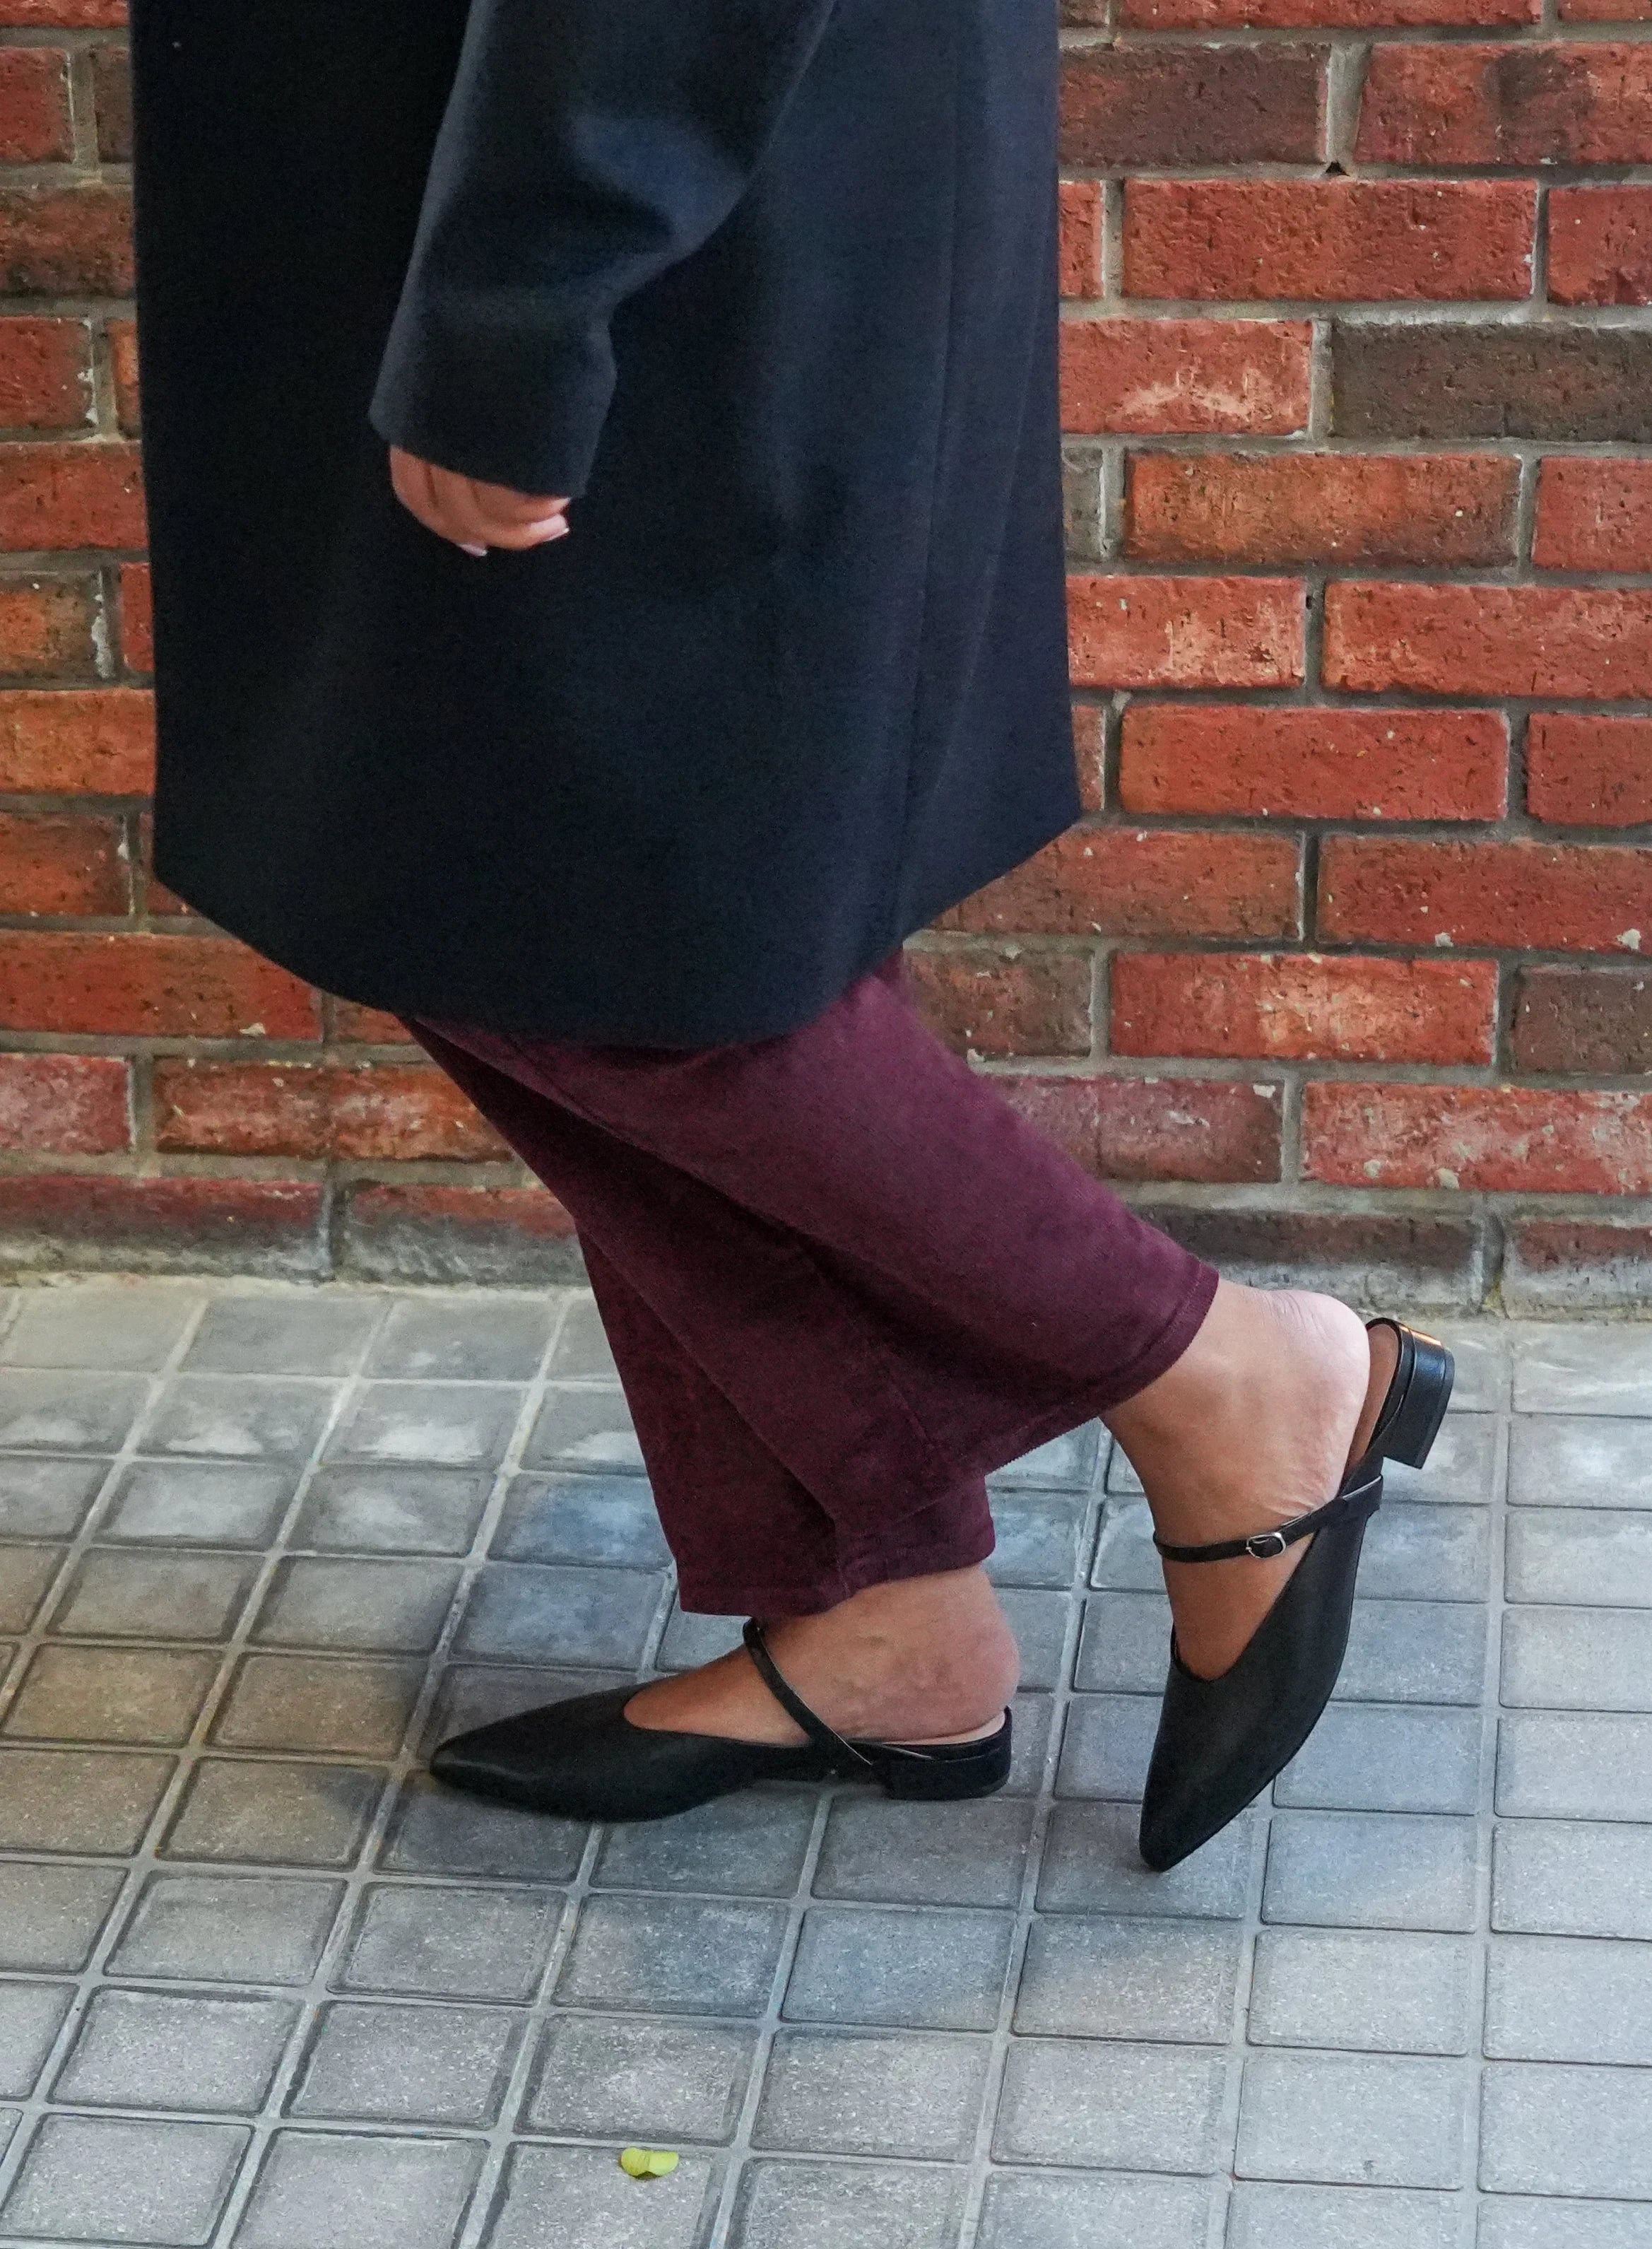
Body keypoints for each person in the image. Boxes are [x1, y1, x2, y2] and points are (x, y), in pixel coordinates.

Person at [131, 0, 1452, 1874]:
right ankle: (882, 1613)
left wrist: (530, 283)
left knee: (623, 938)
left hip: (648, 192)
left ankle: (1230, 1375)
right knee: (629, 919)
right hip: (551, 161)